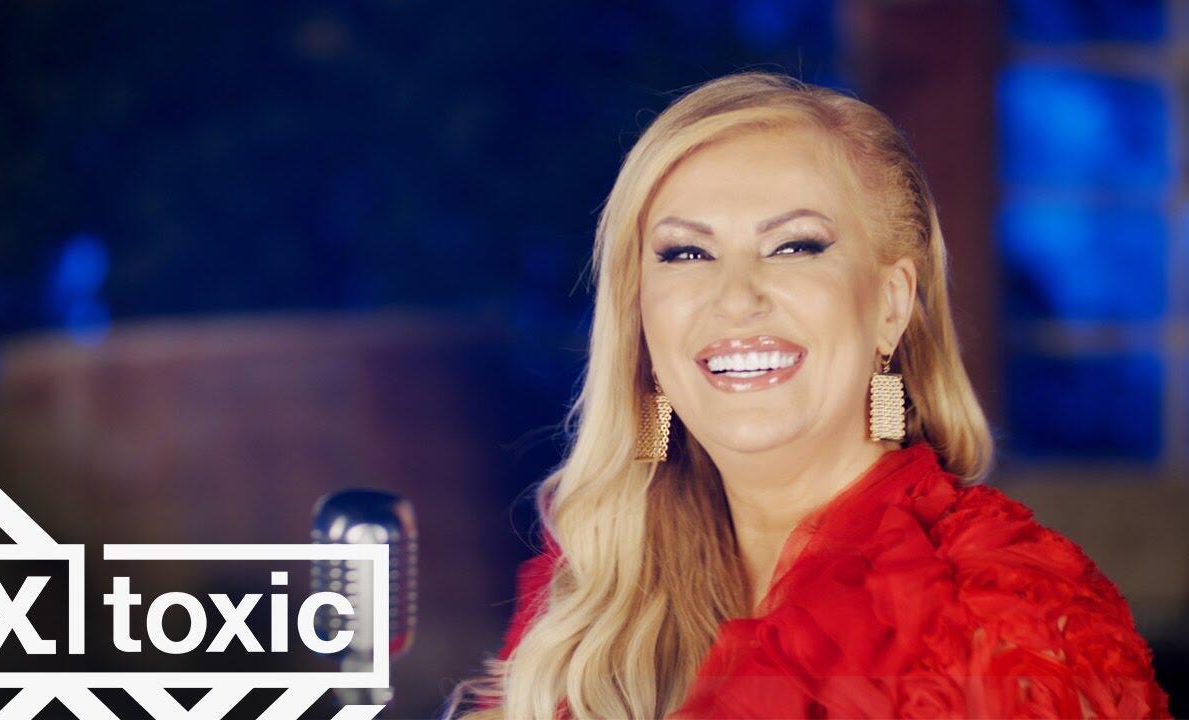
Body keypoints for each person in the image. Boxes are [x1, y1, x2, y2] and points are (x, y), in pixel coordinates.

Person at [444, 71, 1172, 719]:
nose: (735, 299)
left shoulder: (1003, 615)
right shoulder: (594, 592)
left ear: (891, 304)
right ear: (639, 317)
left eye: (794, 246)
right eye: (686, 253)